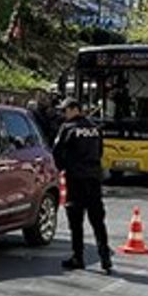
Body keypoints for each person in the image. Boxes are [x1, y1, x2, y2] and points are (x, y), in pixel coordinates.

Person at [51, 98, 112, 274]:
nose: (63, 114)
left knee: (76, 220)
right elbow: (100, 152)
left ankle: (78, 257)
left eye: (65, 111)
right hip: (93, 178)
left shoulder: (68, 128)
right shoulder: (94, 128)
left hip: (76, 178)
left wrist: (63, 168)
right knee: (97, 220)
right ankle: (105, 257)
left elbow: (57, 152)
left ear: (74, 109)